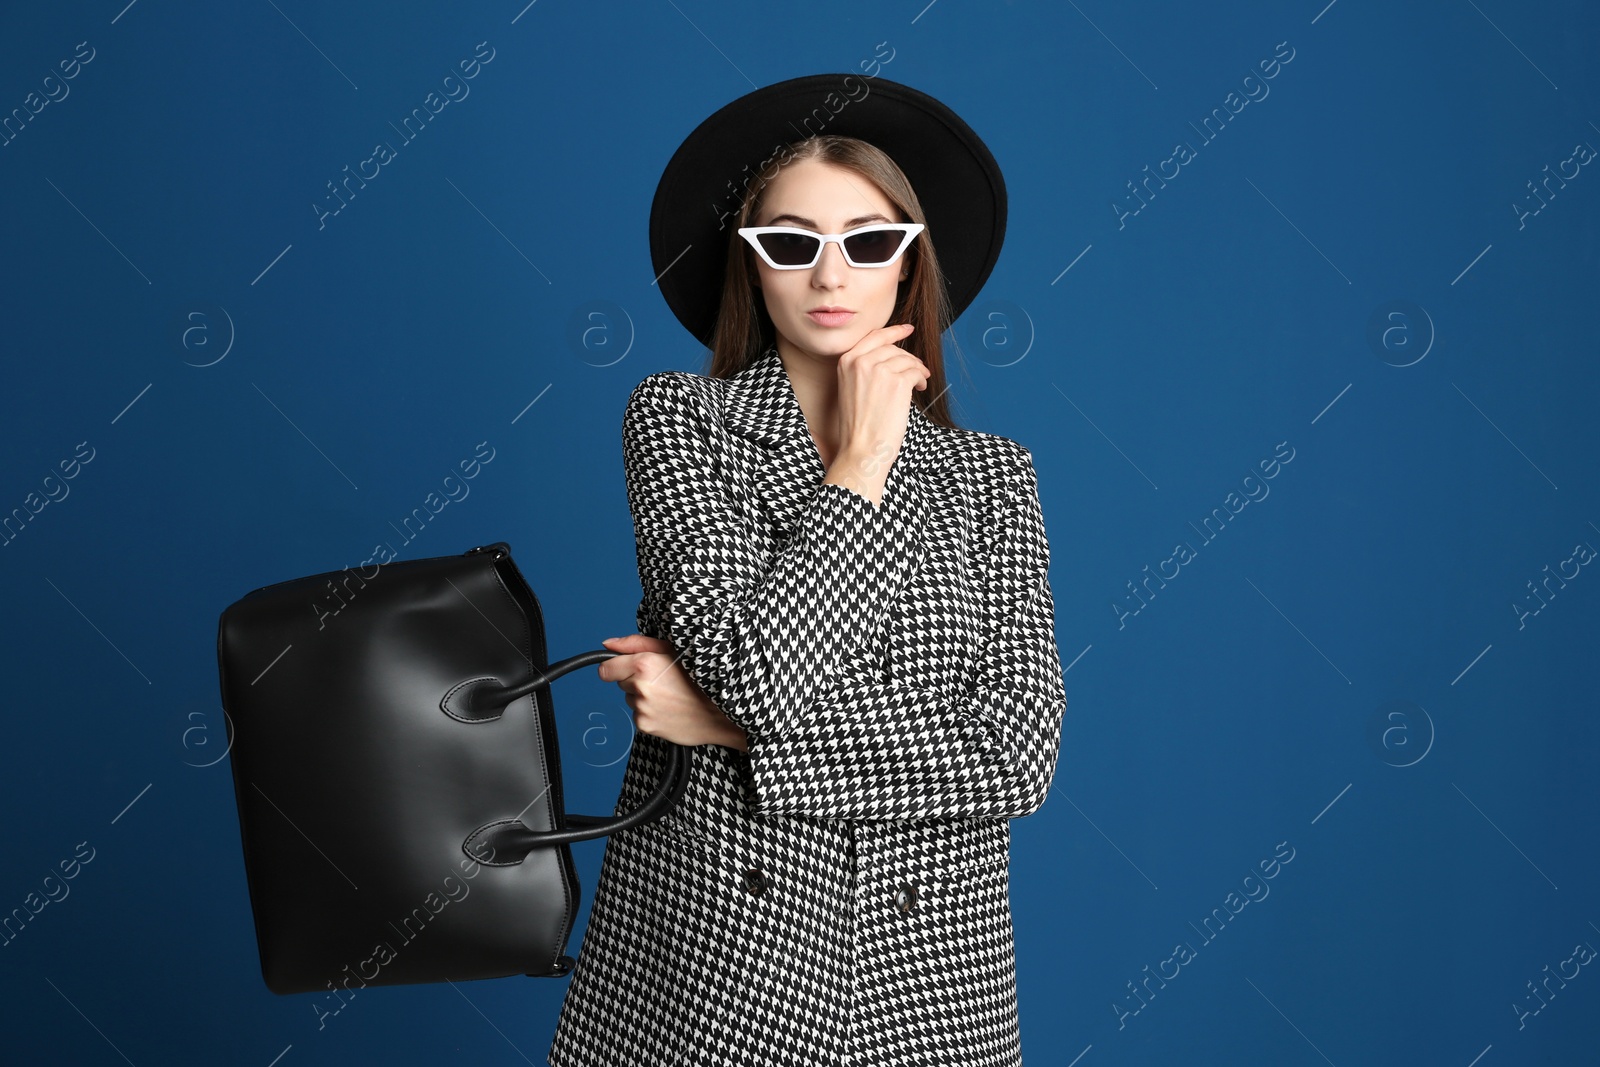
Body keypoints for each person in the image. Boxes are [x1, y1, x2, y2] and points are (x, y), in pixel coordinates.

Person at [546, 74, 1067, 1067]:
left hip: (932, 983)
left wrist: (721, 728)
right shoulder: (681, 422)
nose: (831, 275)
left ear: (909, 263)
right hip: (722, 967)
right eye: (791, 242)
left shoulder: (991, 475)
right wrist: (863, 464)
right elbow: (759, 668)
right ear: (751, 264)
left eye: (868, 241)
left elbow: (1015, 752)